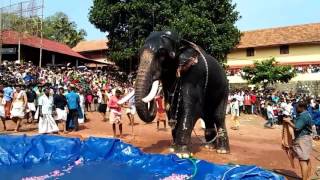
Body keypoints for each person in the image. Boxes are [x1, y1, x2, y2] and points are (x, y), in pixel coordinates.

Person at [283, 102, 312, 180]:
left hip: (302, 139)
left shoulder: (303, 116)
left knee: (302, 160)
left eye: (297, 107)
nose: (296, 109)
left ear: (302, 108)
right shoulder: (306, 114)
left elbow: (297, 128)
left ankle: (304, 179)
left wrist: (289, 122)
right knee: (306, 159)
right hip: (306, 138)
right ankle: (307, 177)